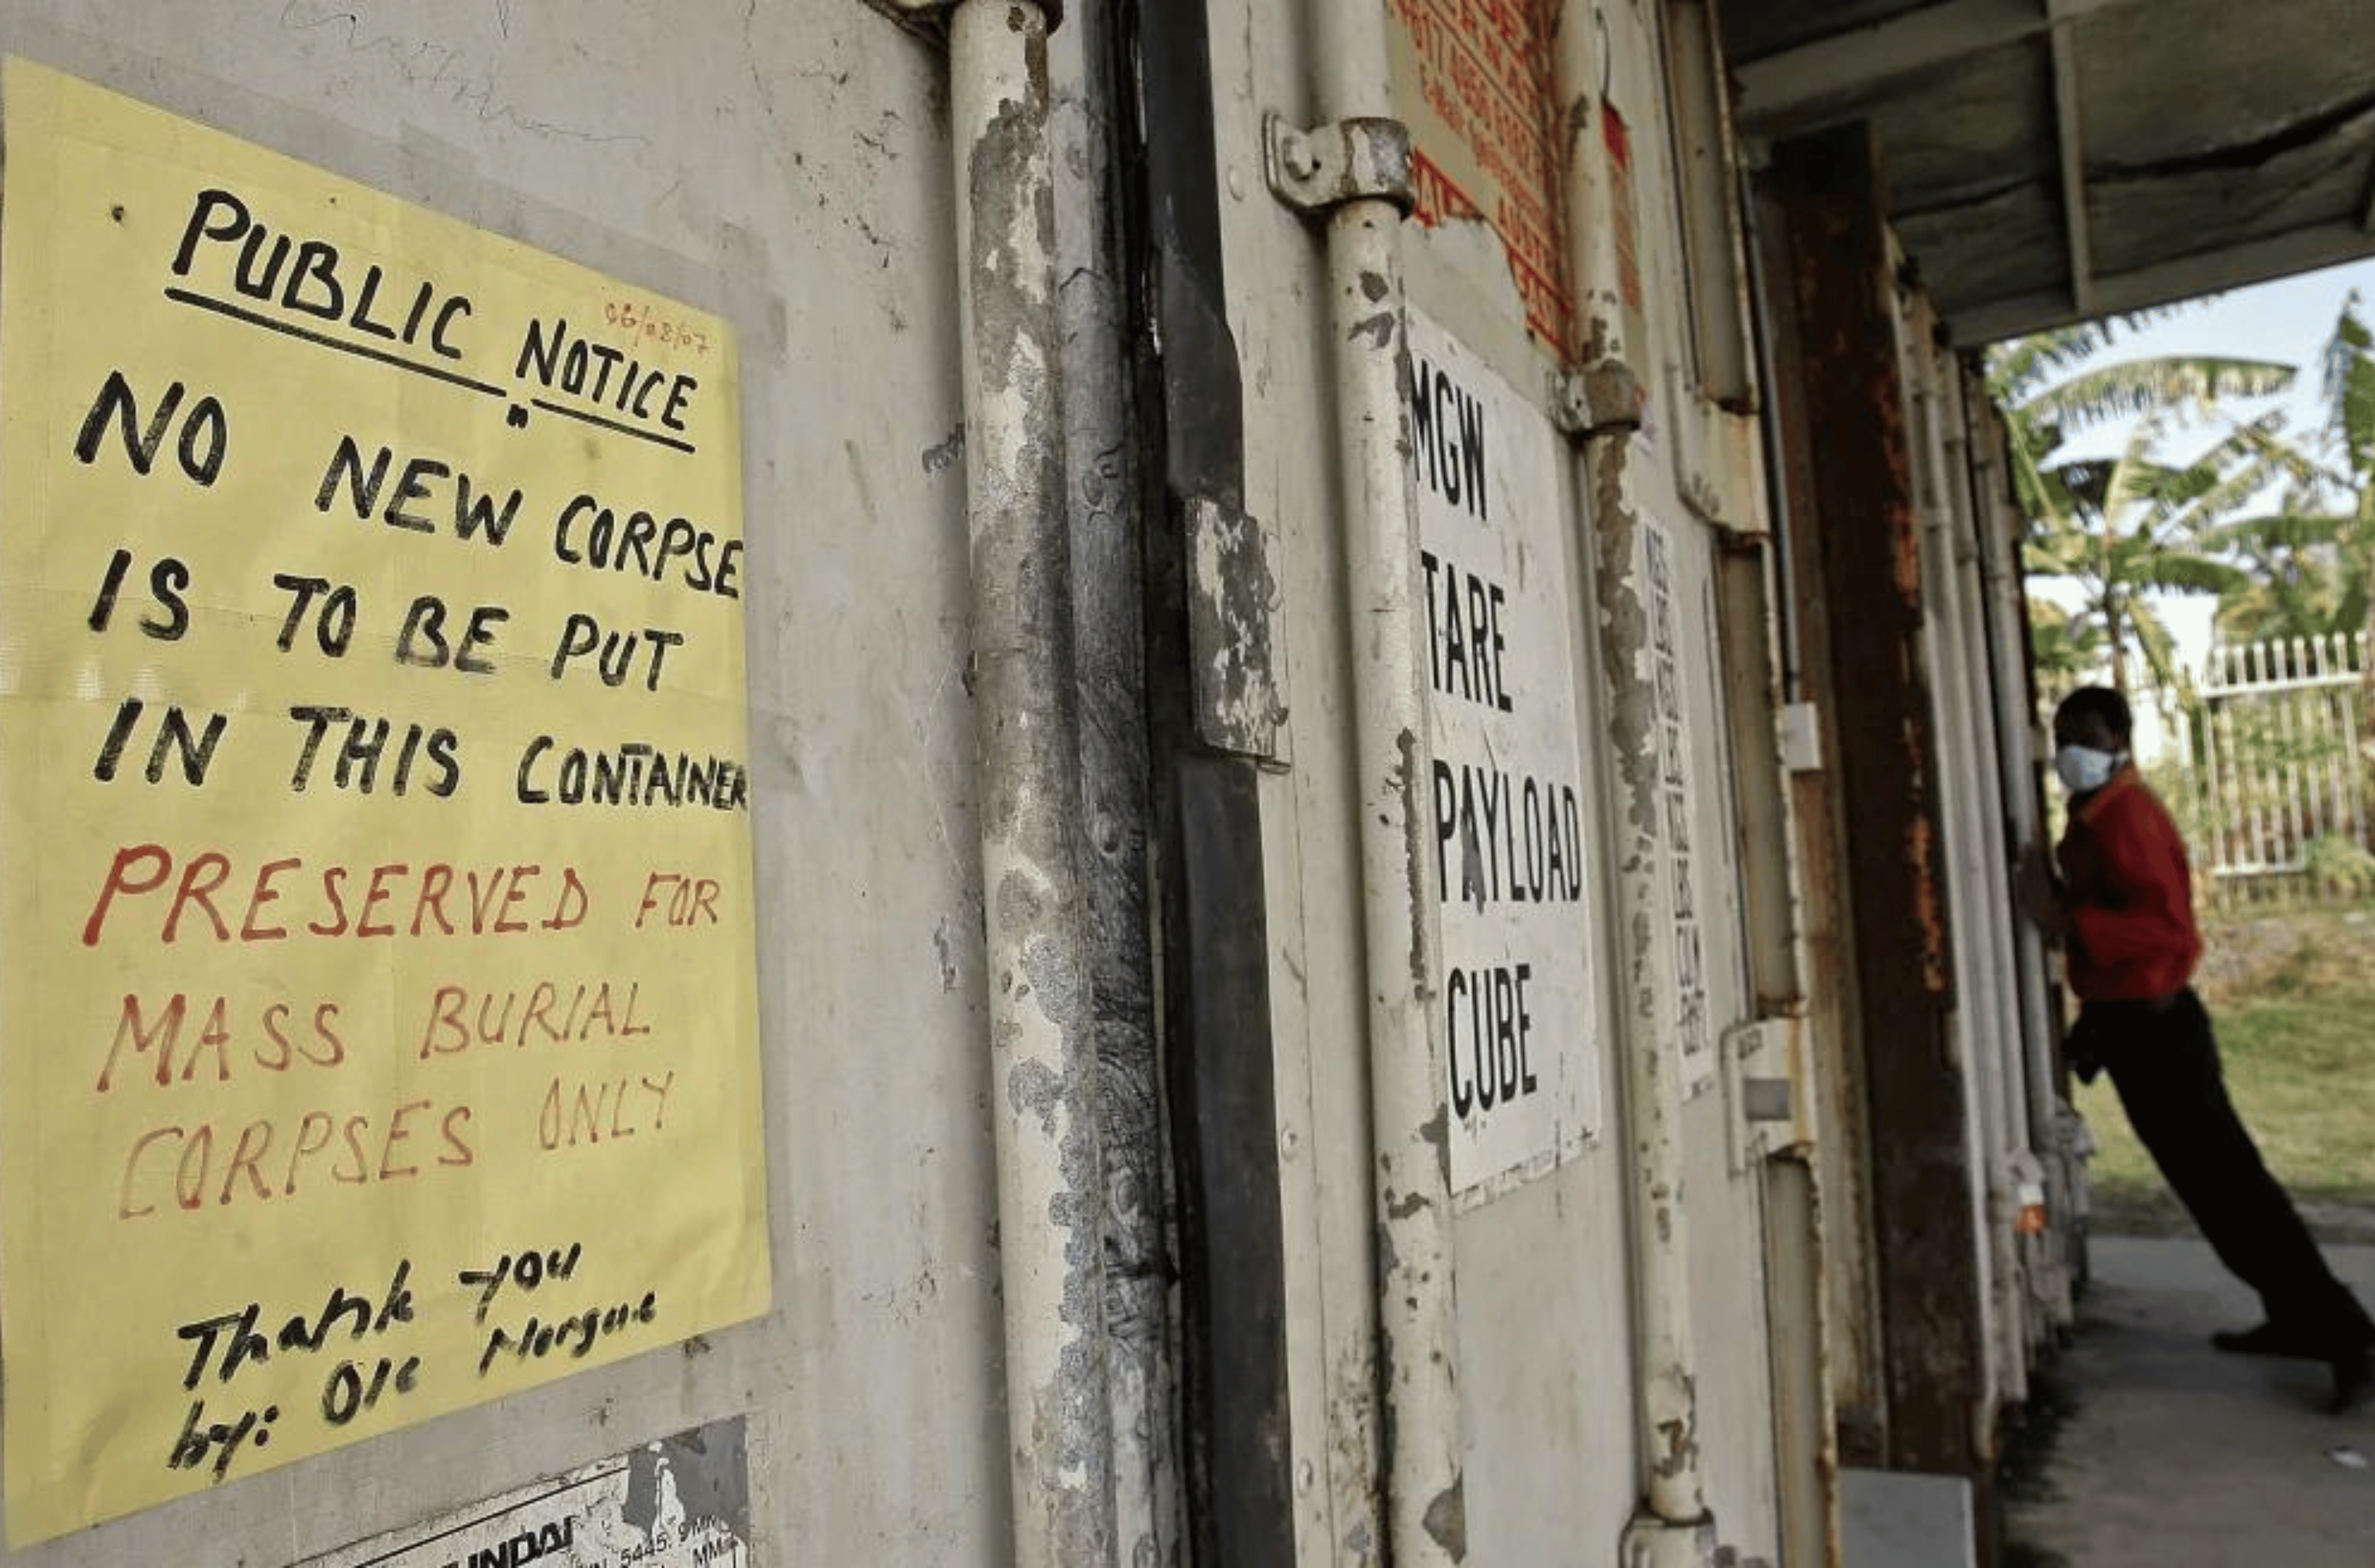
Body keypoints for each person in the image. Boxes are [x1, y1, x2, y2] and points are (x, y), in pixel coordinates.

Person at [2022, 685, 2374, 1412]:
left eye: (2086, 735)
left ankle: (2347, 1335)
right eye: (2063, 736)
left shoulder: (2127, 820)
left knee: (2233, 1188)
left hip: (2160, 1032)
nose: (2071, 752)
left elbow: (2170, 934)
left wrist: (2069, 919)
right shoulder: (2094, 817)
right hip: (2130, 1023)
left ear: (2121, 740)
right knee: (2212, 1193)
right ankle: (2294, 1317)